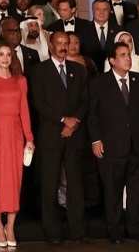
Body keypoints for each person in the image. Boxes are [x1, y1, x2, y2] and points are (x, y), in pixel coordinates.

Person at [88, 42, 139, 243]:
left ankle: (136, 228)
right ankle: (115, 230)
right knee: (113, 191)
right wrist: (95, 139)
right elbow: (92, 114)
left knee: (138, 191)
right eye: (123, 55)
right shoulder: (99, 83)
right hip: (111, 147)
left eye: (129, 54)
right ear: (112, 60)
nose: (128, 58)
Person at [30, 31, 89, 244]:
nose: (64, 46)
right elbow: (39, 103)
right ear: (51, 44)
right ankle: (53, 233)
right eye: (60, 43)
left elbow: (85, 101)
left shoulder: (78, 70)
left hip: (74, 135)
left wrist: (73, 124)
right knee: (50, 184)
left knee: (75, 184)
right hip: (50, 135)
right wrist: (64, 119)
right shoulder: (39, 71)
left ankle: (77, 232)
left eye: (67, 42)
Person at [0, 43, 34, 247]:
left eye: (8, 55)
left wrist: (30, 138)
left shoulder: (20, 80)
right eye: (1, 54)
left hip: (15, 131)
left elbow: (25, 110)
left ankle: (10, 225)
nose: (5, 58)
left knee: (14, 180)